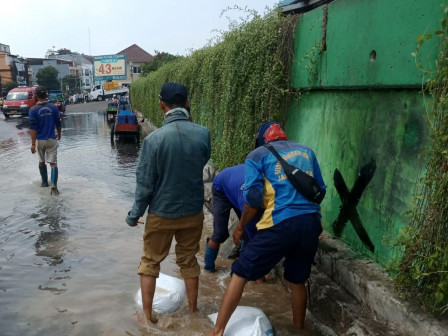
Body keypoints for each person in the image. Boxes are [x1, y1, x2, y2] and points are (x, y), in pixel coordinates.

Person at [206, 121, 326, 336]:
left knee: (239, 272)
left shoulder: (257, 155)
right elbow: (320, 190)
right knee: (297, 280)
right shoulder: (307, 151)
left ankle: (217, 331)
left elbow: (252, 199)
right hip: (310, 222)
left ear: (261, 140)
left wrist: (241, 227)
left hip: (280, 222)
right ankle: (299, 329)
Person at [125, 82, 211, 325]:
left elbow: (145, 184)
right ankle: (193, 313)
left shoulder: (153, 141)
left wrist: (134, 215)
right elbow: (200, 163)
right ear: (186, 103)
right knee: (189, 261)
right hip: (194, 211)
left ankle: (148, 316)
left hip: (162, 212)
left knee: (150, 262)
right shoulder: (203, 133)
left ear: (161, 104)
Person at [204, 164, 260, 274]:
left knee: (247, 234)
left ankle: (242, 270)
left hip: (236, 185)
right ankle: (208, 269)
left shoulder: (266, 191)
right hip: (221, 187)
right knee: (219, 233)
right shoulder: (248, 200)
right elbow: (251, 233)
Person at [29, 86, 62, 195]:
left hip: (39, 140)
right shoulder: (53, 108)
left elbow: (33, 129)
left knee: (41, 162)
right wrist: (59, 133)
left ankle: (44, 183)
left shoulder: (32, 110)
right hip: (51, 139)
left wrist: (33, 144)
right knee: (53, 164)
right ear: (46, 95)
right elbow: (58, 122)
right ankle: (53, 184)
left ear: (36, 96)